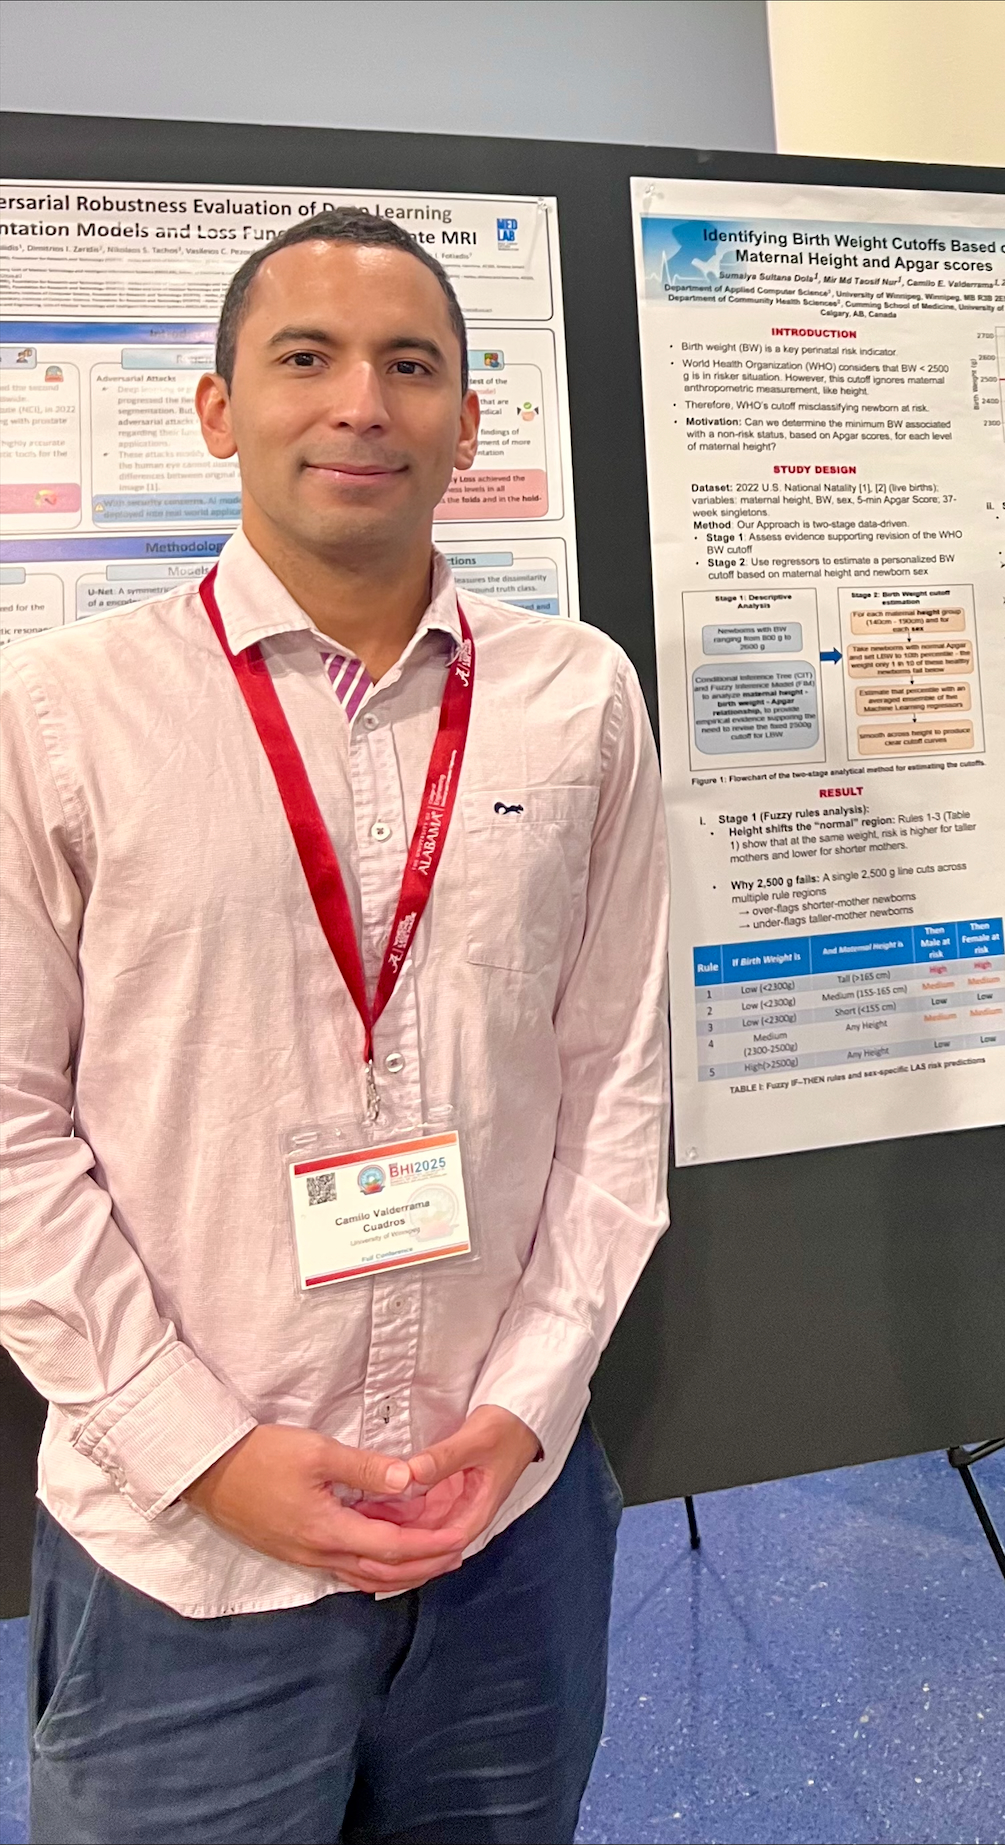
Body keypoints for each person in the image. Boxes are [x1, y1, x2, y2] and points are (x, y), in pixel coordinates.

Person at [0, 208, 670, 1843]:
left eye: (410, 365)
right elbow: (12, 1124)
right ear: (221, 409)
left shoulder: (576, 696)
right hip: (188, 1553)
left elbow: (617, 1092)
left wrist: (522, 1406)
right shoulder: (64, 712)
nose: (360, 402)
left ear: (466, 418)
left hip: (503, 1523)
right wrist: (203, 1448)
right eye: (306, 358)